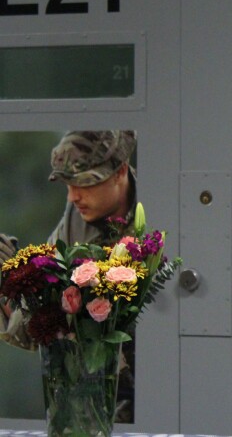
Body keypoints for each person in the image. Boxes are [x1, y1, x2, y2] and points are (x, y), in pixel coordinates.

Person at [0, 130, 138, 422]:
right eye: (68, 184)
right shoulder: (79, 218)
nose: (74, 196)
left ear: (120, 171)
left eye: (85, 183)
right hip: (97, 398)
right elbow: (37, 325)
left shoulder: (161, 210)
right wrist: (12, 282)